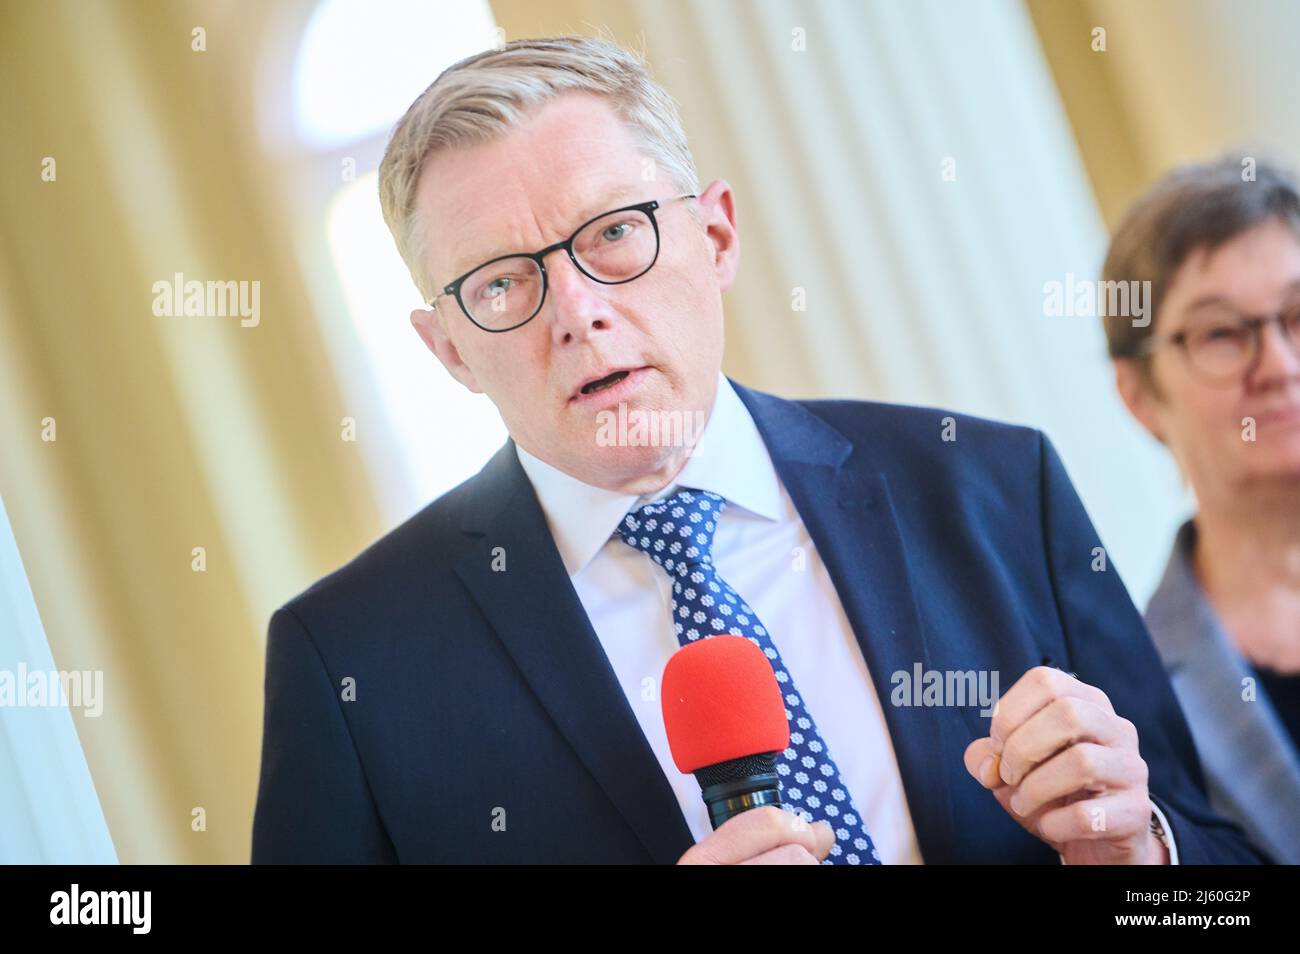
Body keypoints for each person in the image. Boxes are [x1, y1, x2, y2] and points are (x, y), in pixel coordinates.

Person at [251, 36, 1265, 864]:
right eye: (502, 285)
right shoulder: (354, 666)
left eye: (612, 233)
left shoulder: (992, 487)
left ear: (718, 237)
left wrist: (1143, 852)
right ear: (449, 350)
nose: (578, 312)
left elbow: (1222, 864)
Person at [1106, 155, 1300, 863]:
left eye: (1298, 315)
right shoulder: (1131, 699)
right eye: (1221, 333)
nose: (1278, 365)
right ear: (1139, 395)